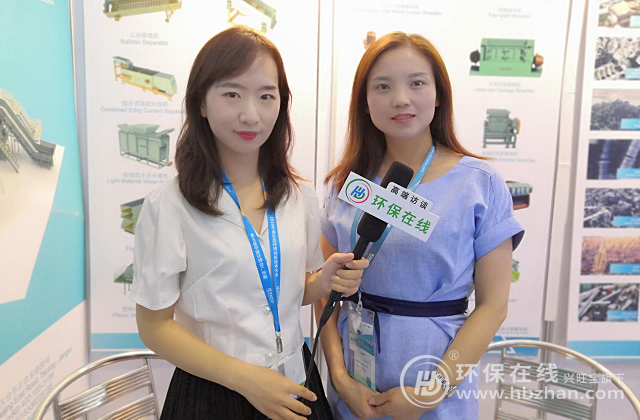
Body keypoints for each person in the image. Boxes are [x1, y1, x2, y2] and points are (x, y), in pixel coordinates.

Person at [130, 27, 369, 420]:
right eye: (232, 94)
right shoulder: (169, 205)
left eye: (266, 96)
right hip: (212, 394)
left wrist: (322, 281)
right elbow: (154, 326)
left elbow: (287, 292)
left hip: (295, 381)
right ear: (201, 102)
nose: (250, 114)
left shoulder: (299, 195)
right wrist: (247, 380)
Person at [315, 32, 525, 419]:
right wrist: (340, 378)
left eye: (416, 83)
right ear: (364, 101)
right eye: (383, 86)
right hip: (355, 385)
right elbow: (323, 290)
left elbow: (493, 306)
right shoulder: (344, 184)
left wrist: (433, 391)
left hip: (436, 385)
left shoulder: (479, 183)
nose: (401, 99)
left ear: (438, 93)